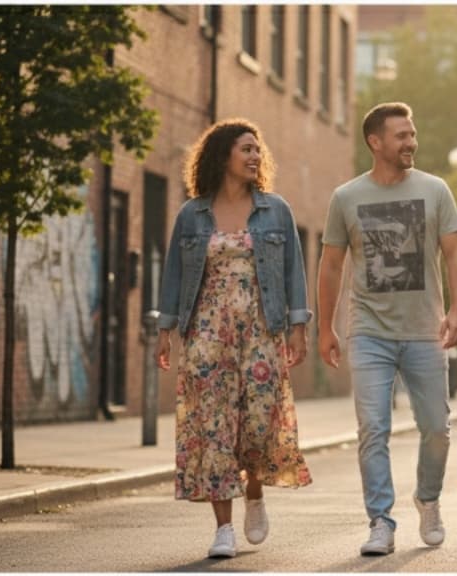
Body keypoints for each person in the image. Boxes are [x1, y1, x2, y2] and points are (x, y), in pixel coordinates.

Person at [156, 119, 313, 560]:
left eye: (258, 150)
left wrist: (298, 329)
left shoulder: (275, 210)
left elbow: (292, 272)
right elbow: (174, 274)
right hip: (207, 331)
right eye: (246, 149)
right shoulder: (192, 214)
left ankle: (255, 489)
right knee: (213, 426)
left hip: (262, 328)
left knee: (259, 421)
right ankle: (223, 527)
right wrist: (165, 331)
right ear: (223, 154)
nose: (255, 157)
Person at [318, 102, 457, 556]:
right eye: (401, 136)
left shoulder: (435, 189)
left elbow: (456, 254)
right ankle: (380, 520)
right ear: (375, 142)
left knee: (436, 427)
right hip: (368, 331)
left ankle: (428, 497)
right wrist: (325, 327)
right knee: (373, 428)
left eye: (412, 134)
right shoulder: (346, 197)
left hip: (425, 330)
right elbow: (330, 266)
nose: (411, 143)